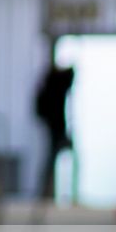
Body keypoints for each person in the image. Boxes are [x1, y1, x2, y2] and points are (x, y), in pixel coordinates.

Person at [34, 62, 74, 199]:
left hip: (56, 131)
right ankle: (47, 192)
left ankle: (50, 192)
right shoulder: (56, 91)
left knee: (51, 162)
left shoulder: (52, 89)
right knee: (50, 162)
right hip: (55, 131)